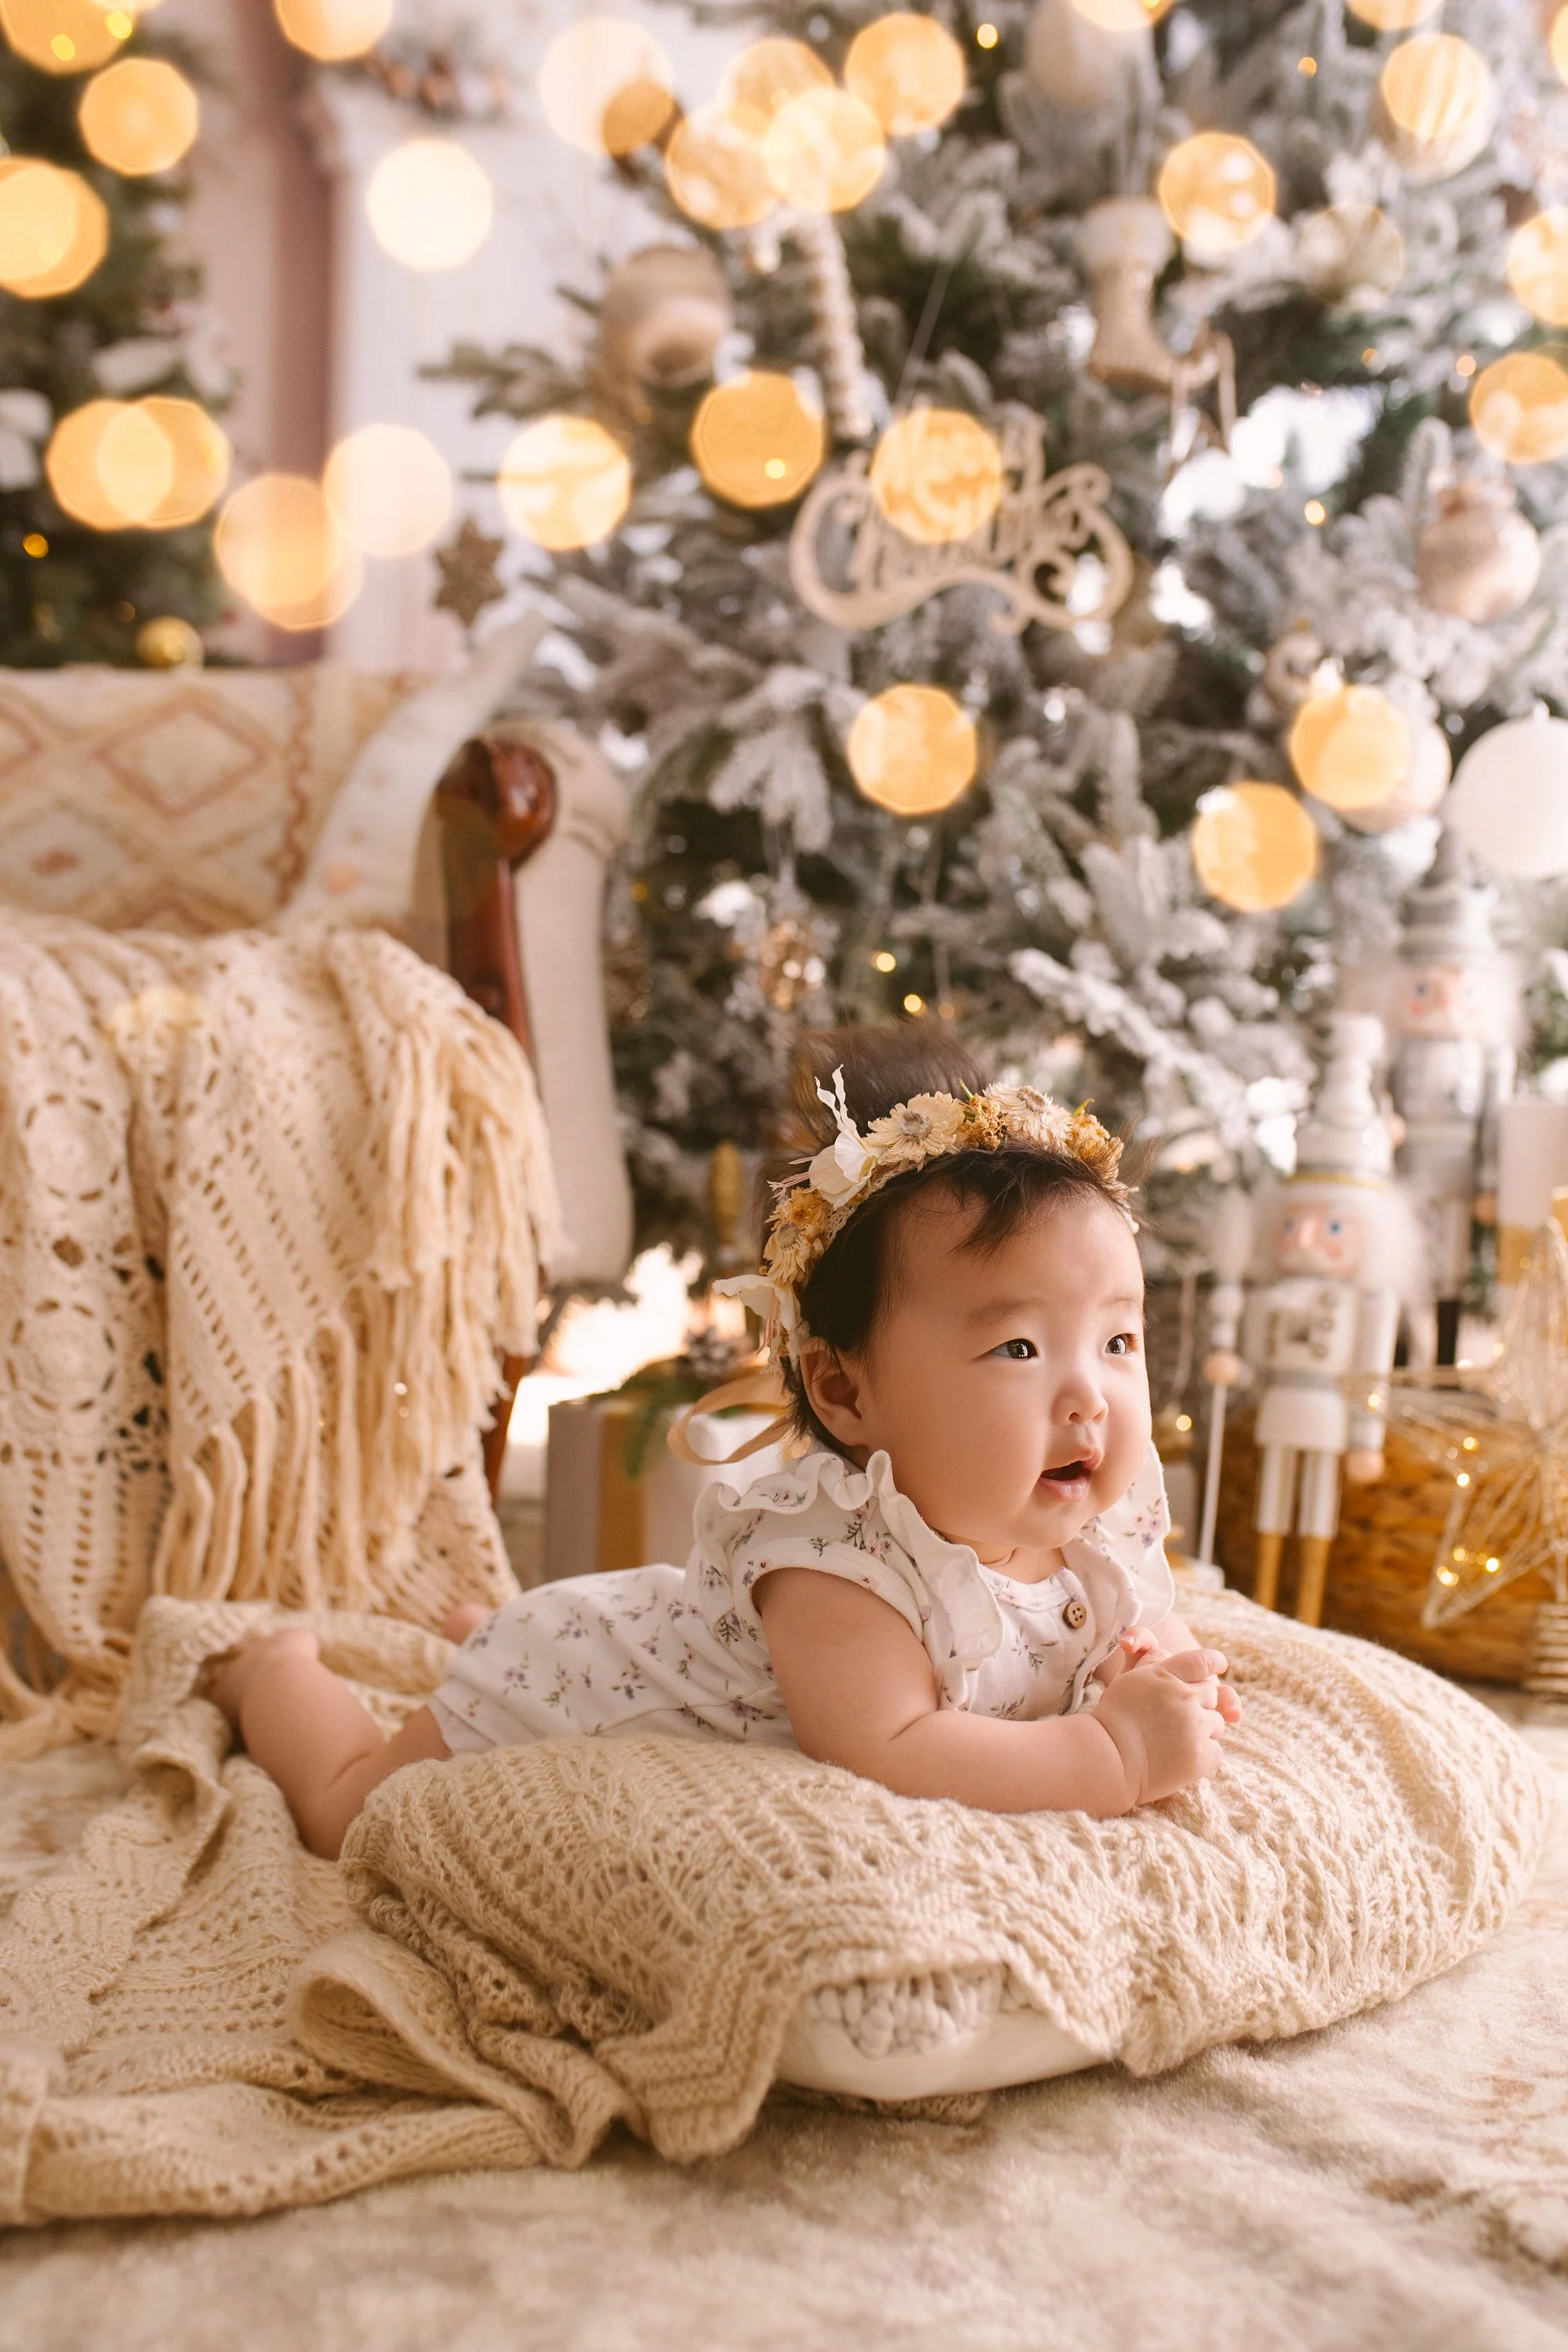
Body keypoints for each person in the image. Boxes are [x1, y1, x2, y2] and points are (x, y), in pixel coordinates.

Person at [215, 1029, 1240, 1857]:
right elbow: (892, 1751)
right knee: (354, 1815)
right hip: (570, 1684)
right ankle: (274, 1674)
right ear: (842, 1389)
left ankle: (491, 1622)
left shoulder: (1102, 1517)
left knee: (620, 1623)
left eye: (1117, 1341)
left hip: (648, 1633)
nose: (1091, 1398)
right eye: (1018, 1345)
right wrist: (1108, 1757)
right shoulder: (840, 1567)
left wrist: (1166, 1674)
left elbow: (1139, 1630)